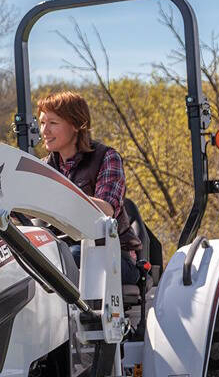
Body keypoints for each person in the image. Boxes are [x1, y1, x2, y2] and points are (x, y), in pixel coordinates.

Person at [36, 90, 142, 285]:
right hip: (61, 250)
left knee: (69, 258)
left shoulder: (107, 158)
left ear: (76, 125)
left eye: (53, 123)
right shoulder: (43, 168)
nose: (44, 131)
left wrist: (57, 195)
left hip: (113, 255)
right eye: (42, 123)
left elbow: (106, 210)